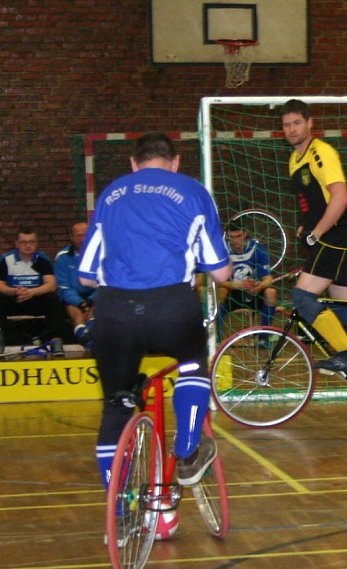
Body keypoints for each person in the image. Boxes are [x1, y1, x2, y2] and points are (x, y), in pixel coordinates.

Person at [78, 132, 232, 541]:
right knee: (193, 363)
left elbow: (84, 275)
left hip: (114, 313)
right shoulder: (194, 192)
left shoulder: (110, 195)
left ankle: (122, 511)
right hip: (171, 307)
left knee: (116, 405)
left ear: (133, 163)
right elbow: (220, 271)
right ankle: (187, 450)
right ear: (176, 161)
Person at [282, 99, 347, 371]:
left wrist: (315, 234)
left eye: (297, 123)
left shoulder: (321, 152)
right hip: (329, 236)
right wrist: (307, 225)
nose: (292, 129)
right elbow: (314, 200)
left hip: (336, 236)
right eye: (286, 125)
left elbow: (340, 198)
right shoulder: (295, 159)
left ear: (309, 123)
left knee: (303, 296)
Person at [0, 226, 67, 356]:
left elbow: (51, 284)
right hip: (15, 299)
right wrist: (14, 291)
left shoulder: (42, 260)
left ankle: (55, 340)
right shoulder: (6, 260)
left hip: (35, 299)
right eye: (24, 242)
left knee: (53, 299)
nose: (28, 246)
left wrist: (32, 292)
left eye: (31, 242)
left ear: (36, 244)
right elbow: (0, 285)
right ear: (17, 244)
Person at [217, 220, 277, 332]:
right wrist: (233, 285)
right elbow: (215, 280)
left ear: (245, 234)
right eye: (231, 237)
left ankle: (263, 338)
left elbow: (269, 279)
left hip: (253, 292)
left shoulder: (258, 249)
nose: (235, 240)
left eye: (238, 236)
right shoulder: (222, 251)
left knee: (271, 292)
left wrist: (260, 285)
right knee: (221, 291)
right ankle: (217, 339)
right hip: (232, 294)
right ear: (227, 236)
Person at [55, 221, 96, 349]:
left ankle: (91, 339)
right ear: (71, 238)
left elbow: (105, 285)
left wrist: (89, 301)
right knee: (76, 312)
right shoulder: (62, 257)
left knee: (93, 311)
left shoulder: (100, 256)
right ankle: (87, 341)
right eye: (78, 235)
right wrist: (80, 303)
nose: (82, 239)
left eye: (85, 235)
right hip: (73, 297)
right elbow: (63, 287)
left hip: (94, 296)